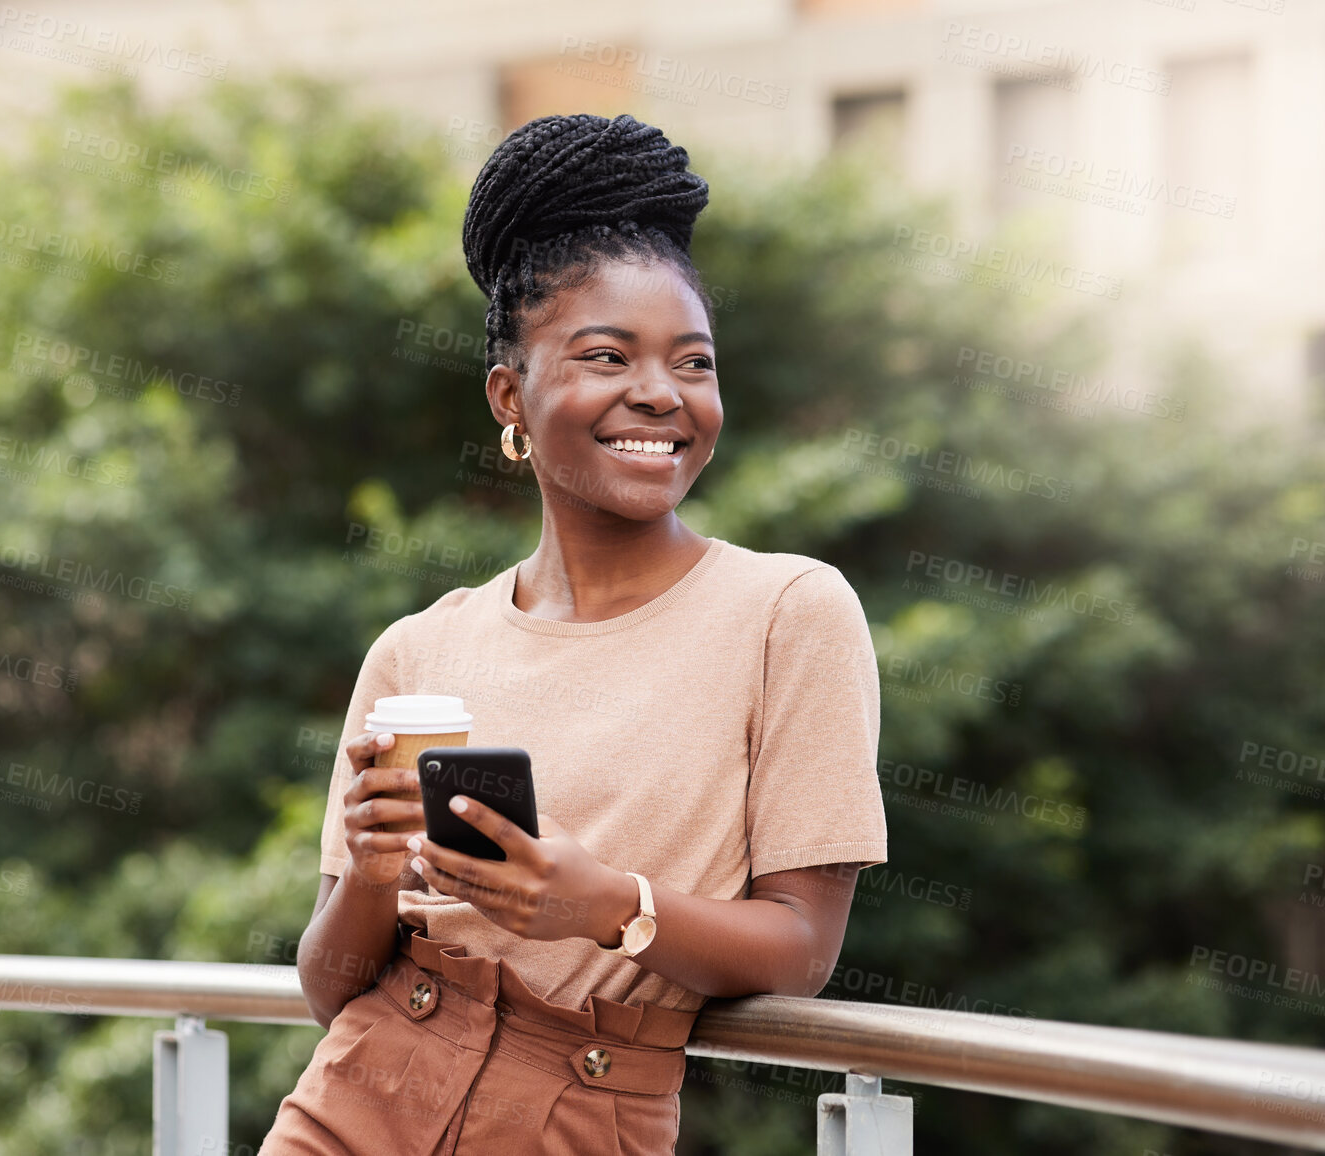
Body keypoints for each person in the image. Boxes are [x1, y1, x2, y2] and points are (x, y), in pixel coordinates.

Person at [259, 111, 887, 1156]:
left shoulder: (790, 612)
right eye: (608, 355)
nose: (660, 393)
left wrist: (606, 904)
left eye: (694, 363)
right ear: (511, 393)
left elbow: (801, 947)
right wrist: (372, 873)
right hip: (352, 1105)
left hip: (585, 1111)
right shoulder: (419, 650)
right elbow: (330, 987)